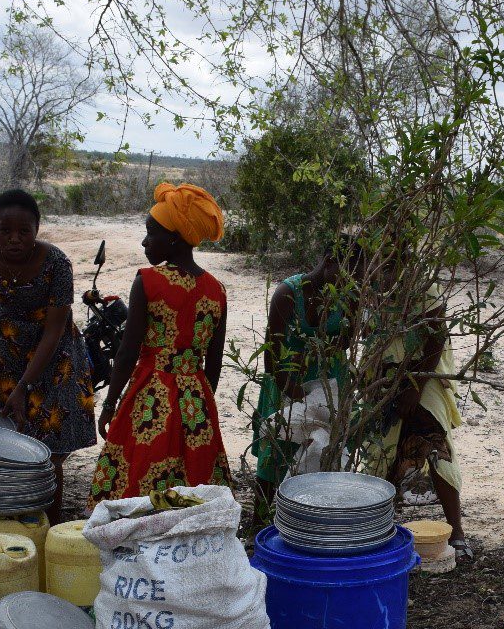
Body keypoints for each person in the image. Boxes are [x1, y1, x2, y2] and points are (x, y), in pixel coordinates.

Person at [90, 183, 229, 503]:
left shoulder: (148, 281)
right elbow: (214, 363)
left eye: (150, 233)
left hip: (150, 394)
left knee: (138, 477)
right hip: (196, 399)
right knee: (193, 481)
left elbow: (126, 353)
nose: (144, 241)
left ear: (174, 238)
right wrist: (199, 406)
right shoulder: (216, 290)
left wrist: (110, 404)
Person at [0, 189, 96, 522]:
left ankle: (48, 526)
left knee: (50, 452)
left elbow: (54, 329)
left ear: (37, 229)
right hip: (8, 351)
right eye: (5, 231)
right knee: (9, 441)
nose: (14, 239)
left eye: (24, 231)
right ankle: (14, 521)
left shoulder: (56, 262)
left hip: (56, 356)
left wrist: (24, 387)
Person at [365, 269, 471, 562]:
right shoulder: (372, 272)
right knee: (384, 450)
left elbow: (436, 336)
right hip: (384, 373)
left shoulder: (423, 283)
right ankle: (380, 530)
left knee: (437, 445)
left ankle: (457, 533)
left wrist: (415, 385)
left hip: (423, 373)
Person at [251, 241, 362, 509]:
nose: (349, 283)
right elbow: (272, 354)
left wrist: (319, 353)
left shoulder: (350, 295)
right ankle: (261, 523)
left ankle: (315, 519)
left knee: (325, 452)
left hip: (329, 384)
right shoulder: (287, 294)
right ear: (328, 263)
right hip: (286, 379)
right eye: (345, 274)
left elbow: (346, 341)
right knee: (276, 451)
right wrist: (293, 393)